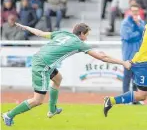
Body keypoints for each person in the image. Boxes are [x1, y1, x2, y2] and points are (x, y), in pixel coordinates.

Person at [2, 22, 131, 126]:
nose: (86, 38)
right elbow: (103, 58)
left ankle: (52, 110)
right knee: (37, 100)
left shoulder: (63, 34)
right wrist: (123, 63)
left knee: (58, 79)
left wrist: (25, 27)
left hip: (43, 60)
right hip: (42, 65)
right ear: (81, 34)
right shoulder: (79, 43)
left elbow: (40, 33)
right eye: (86, 35)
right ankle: (9, 115)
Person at [121, 4, 145, 104]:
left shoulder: (141, 22)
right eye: (133, 11)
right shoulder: (125, 23)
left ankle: (135, 99)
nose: (135, 13)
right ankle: (126, 99)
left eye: (137, 11)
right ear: (129, 12)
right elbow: (128, 37)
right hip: (128, 54)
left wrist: (139, 27)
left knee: (137, 78)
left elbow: (145, 34)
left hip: (139, 55)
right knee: (127, 77)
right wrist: (139, 33)